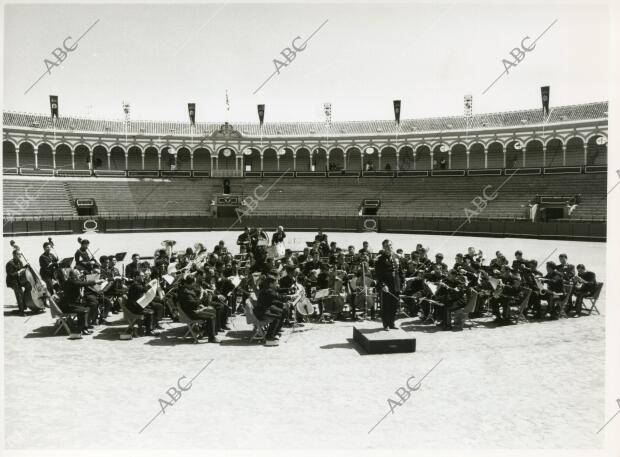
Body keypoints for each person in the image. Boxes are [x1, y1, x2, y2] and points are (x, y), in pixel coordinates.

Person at [59, 268, 104, 335]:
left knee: (89, 306)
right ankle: (81, 329)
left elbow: (82, 283)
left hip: (72, 304)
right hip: (69, 305)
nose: (80, 276)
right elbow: (83, 283)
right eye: (78, 274)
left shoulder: (71, 281)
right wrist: (96, 281)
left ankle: (85, 326)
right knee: (84, 310)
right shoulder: (72, 281)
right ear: (74, 275)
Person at [177, 275, 219, 342]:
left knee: (213, 311)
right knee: (211, 316)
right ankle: (211, 338)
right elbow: (194, 303)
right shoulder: (185, 292)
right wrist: (201, 296)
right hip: (191, 313)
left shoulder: (187, 289)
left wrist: (200, 305)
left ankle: (208, 332)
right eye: (194, 283)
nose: (195, 284)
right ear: (192, 283)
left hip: (193, 310)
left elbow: (194, 301)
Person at [375, 239, 403, 330]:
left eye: (390, 245)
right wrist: (383, 285)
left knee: (394, 304)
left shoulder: (396, 257)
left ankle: (392, 323)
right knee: (386, 305)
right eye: (387, 246)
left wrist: (403, 282)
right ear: (383, 247)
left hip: (396, 284)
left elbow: (400, 271)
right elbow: (378, 275)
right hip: (386, 286)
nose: (389, 247)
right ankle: (386, 324)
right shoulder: (380, 259)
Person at [254, 275, 290, 342]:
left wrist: (282, 304)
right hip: (261, 312)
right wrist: (290, 297)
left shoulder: (267, 288)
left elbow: (273, 300)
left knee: (282, 312)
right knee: (277, 317)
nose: (277, 285)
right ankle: (269, 337)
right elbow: (278, 297)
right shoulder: (268, 291)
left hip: (263, 309)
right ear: (271, 284)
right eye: (276, 283)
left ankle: (275, 332)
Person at [6, 250, 29, 314]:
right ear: (14, 255)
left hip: (19, 280)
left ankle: (23, 307)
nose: (20, 256)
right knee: (19, 294)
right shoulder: (10, 263)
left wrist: (26, 267)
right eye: (18, 254)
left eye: (20, 254)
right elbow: (10, 274)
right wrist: (19, 272)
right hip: (12, 281)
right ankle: (21, 311)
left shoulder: (20, 262)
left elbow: (21, 269)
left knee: (22, 292)